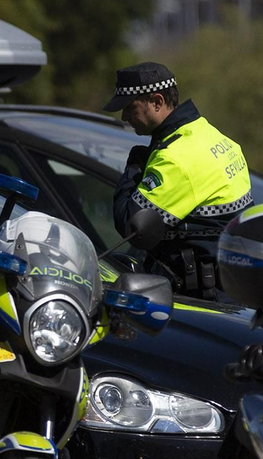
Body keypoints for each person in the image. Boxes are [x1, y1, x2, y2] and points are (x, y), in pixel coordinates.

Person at [104, 61, 251, 295]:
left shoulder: (176, 160)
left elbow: (130, 224)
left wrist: (134, 166)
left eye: (130, 108)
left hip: (199, 300)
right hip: (230, 287)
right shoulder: (208, 134)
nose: (124, 117)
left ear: (157, 101)